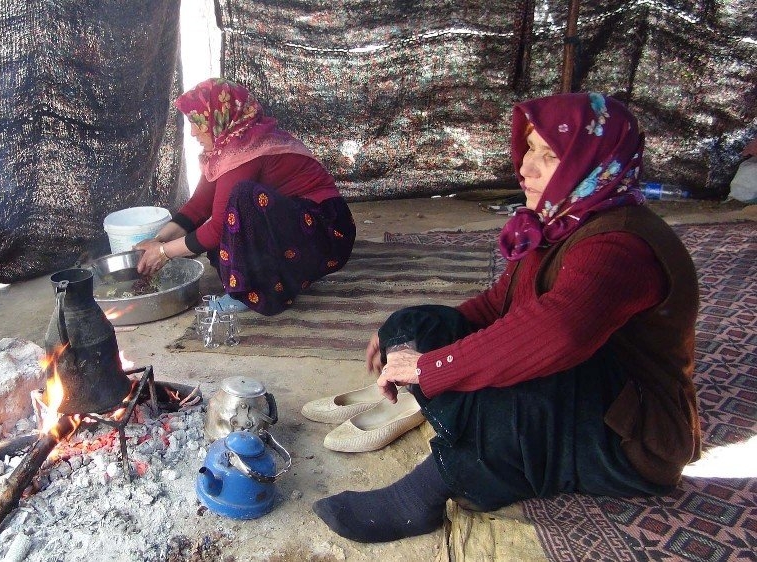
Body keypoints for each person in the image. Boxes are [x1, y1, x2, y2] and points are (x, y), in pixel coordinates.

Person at [313, 92, 701, 543]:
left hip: (632, 438)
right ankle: (453, 417)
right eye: (530, 148)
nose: (526, 168)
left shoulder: (621, 245)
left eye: (550, 155)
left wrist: (432, 368)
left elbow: (558, 331)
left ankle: (424, 494)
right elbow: (498, 305)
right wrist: (407, 341)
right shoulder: (563, 220)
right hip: (587, 389)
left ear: (594, 162)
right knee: (418, 326)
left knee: (520, 385)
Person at [134, 78, 356, 315]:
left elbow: (217, 228)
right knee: (226, 234)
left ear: (220, 117)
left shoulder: (244, 149)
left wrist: (164, 253)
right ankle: (259, 282)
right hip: (298, 223)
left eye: (198, 123)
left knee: (241, 200)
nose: (193, 132)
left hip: (327, 230)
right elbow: (198, 206)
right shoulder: (226, 149)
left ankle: (251, 294)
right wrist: (157, 241)